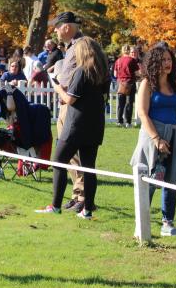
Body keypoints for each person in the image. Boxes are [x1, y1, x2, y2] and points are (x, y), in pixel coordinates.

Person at [36, 37, 109, 217]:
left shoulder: (82, 71)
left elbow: (70, 99)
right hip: (95, 125)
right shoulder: (102, 74)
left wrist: (58, 88)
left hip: (76, 124)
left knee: (58, 161)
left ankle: (55, 206)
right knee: (89, 167)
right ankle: (87, 210)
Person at [130, 43, 176, 236]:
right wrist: (157, 139)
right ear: (155, 62)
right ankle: (142, 222)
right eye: (163, 60)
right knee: (149, 178)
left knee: (171, 180)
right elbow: (142, 113)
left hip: (174, 134)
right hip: (153, 136)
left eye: (169, 59)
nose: (167, 63)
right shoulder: (148, 83)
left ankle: (168, 223)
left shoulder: (174, 85)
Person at [48, 11, 88, 211]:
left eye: (57, 27)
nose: (55, 31)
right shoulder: (72, 46)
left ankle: (83, 196)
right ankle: (76, 194)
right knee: (70, 156)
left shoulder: (81, 45)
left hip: (73, 106)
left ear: (66, 27)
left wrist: (60, 87)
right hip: (65, 104)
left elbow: (82, 76)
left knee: (74, 153)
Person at [113, 45, 139, 128]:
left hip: (120, 83)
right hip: (130, 83)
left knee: (120, 104)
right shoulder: (132, 60)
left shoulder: (118, 60)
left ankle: (119, 121)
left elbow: (115, 74)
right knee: (129, 104)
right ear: (129, 50)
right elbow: (137, 73)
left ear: (122, 51)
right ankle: (128, 122)